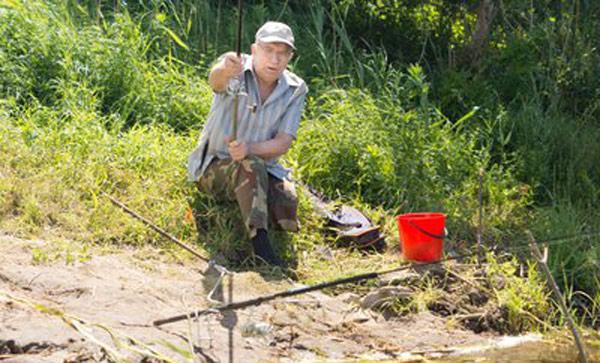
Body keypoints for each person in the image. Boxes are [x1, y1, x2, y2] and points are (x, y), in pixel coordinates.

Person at [187, 21, 308, 266]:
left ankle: (247, 202)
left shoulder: (296, 88)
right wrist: (224, 68)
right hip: (214, 167)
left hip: (261, 168)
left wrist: (249, 148)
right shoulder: (235, 70)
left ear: (290, 56)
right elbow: (215, 81)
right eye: (268, 50)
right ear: (254, 50)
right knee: (249, 166)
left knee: (286, 205)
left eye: (282, 53)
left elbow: (283, 142)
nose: (275, 59)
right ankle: (261, 250)